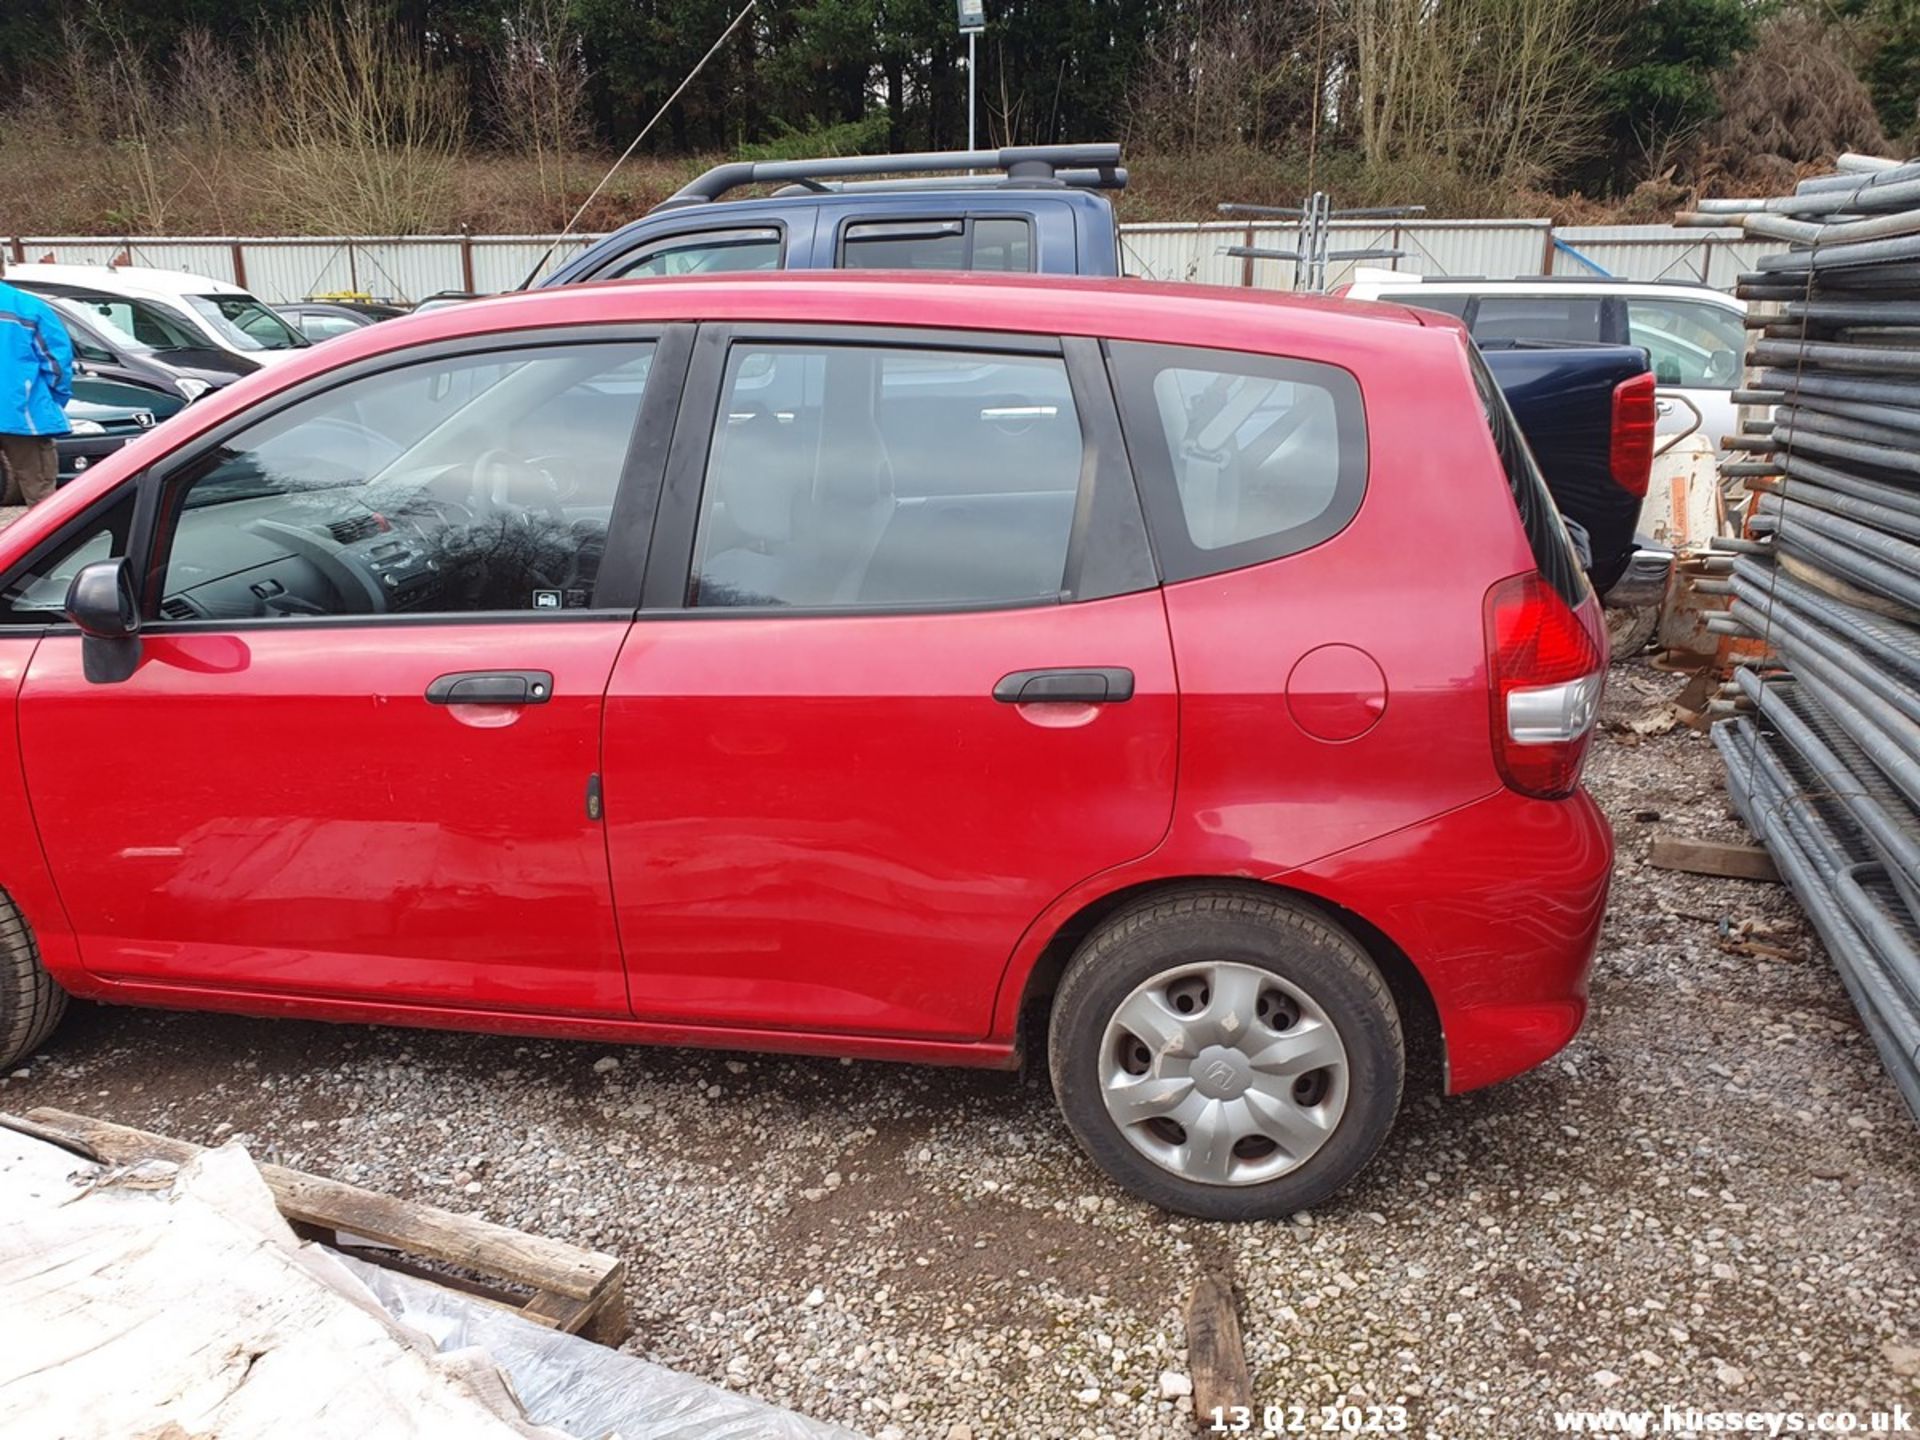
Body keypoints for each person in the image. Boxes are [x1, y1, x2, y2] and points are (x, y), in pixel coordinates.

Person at [0, 254, 73, 507]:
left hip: (25, 414)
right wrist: (53, 402)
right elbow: (57, 365)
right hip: (26, 416)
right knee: (43, 500)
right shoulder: (28, 307)